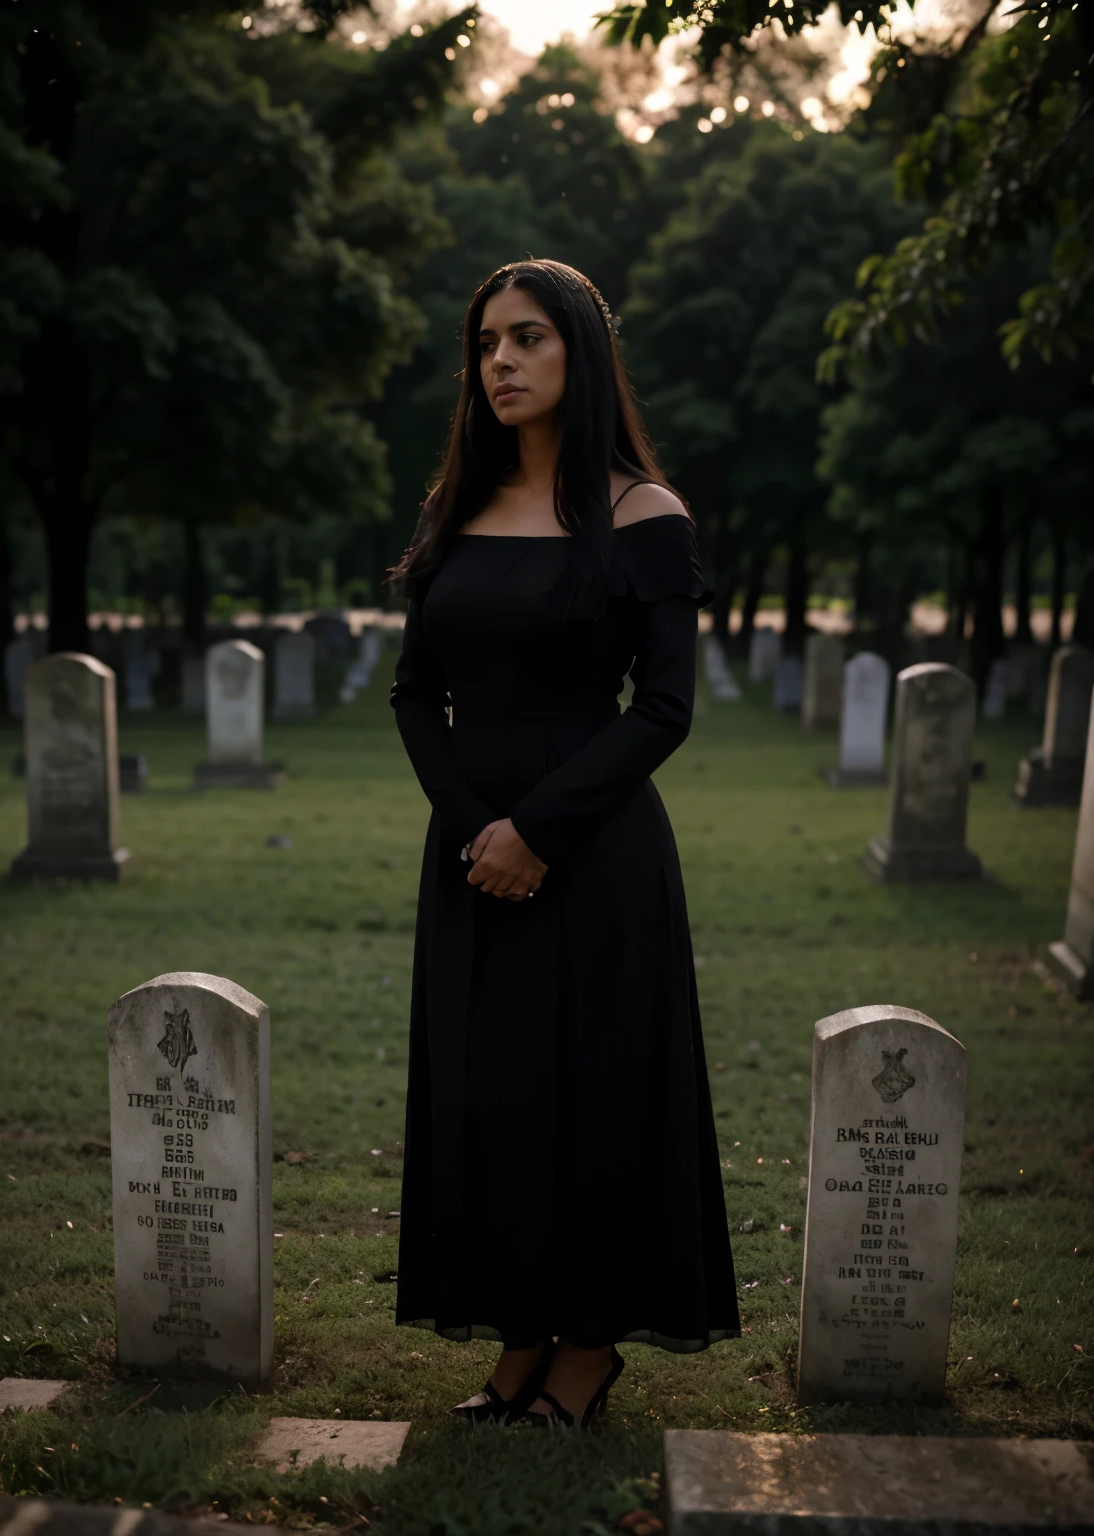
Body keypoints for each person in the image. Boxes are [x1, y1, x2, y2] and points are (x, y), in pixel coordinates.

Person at [384, 259, 739, 1430]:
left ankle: (586, 1353)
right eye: (486, 343)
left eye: (528, 339)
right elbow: (411, 696)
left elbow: (665, 708)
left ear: (579, 355)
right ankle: (517, 1337)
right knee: (493, 1102)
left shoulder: (643, 514)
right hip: (470, 860)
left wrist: (535, 830)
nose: (501, 362)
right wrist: (475, 832)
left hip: (596, 862)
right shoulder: (454, 510)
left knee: (593, 1101)